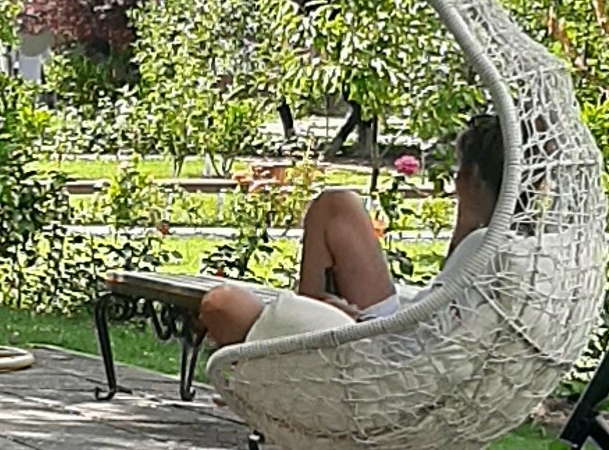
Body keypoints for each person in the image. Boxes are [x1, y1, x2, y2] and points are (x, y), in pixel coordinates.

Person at [193, 105, 507, 354]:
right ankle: (310, 312)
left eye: (459, 171)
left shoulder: (483, 247)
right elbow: (441, 318)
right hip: (400, 332)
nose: (455, 182)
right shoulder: (500, 245)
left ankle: (298, 343)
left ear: (474, 179)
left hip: (384, 349)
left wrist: (355, 320)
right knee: (336, 205)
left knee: (222, 303)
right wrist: (465, 222)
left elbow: (423, 343)